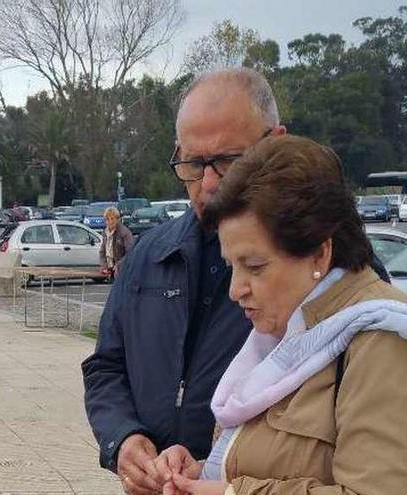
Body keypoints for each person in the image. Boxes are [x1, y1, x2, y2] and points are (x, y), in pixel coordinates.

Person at [81, 67, 390, 495]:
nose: (208, 183)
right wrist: (124, 438)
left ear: (274, 143)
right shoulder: (147, 255)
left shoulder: (357, 308)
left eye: (228, 161)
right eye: (192, 163)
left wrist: (228, 491)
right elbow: (105, 365)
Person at [154, 135, 407, 495]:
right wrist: (202, 472)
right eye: (231, 267)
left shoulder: (381, 342)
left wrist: (231, 493)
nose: (235, 289)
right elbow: (276, 463)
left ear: (320, 255)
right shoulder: (287, 331)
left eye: (254, 266)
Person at [98, 206, 134, 279]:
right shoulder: (105, 233)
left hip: (123, 271)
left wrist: (119, 265)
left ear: (118, 219)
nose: (110, 221)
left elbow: (130, 253)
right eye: (107, 219)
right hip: (110, 269)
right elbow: (102, 252)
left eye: (112, 218)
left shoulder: (125, 233)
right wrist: (104, 266)